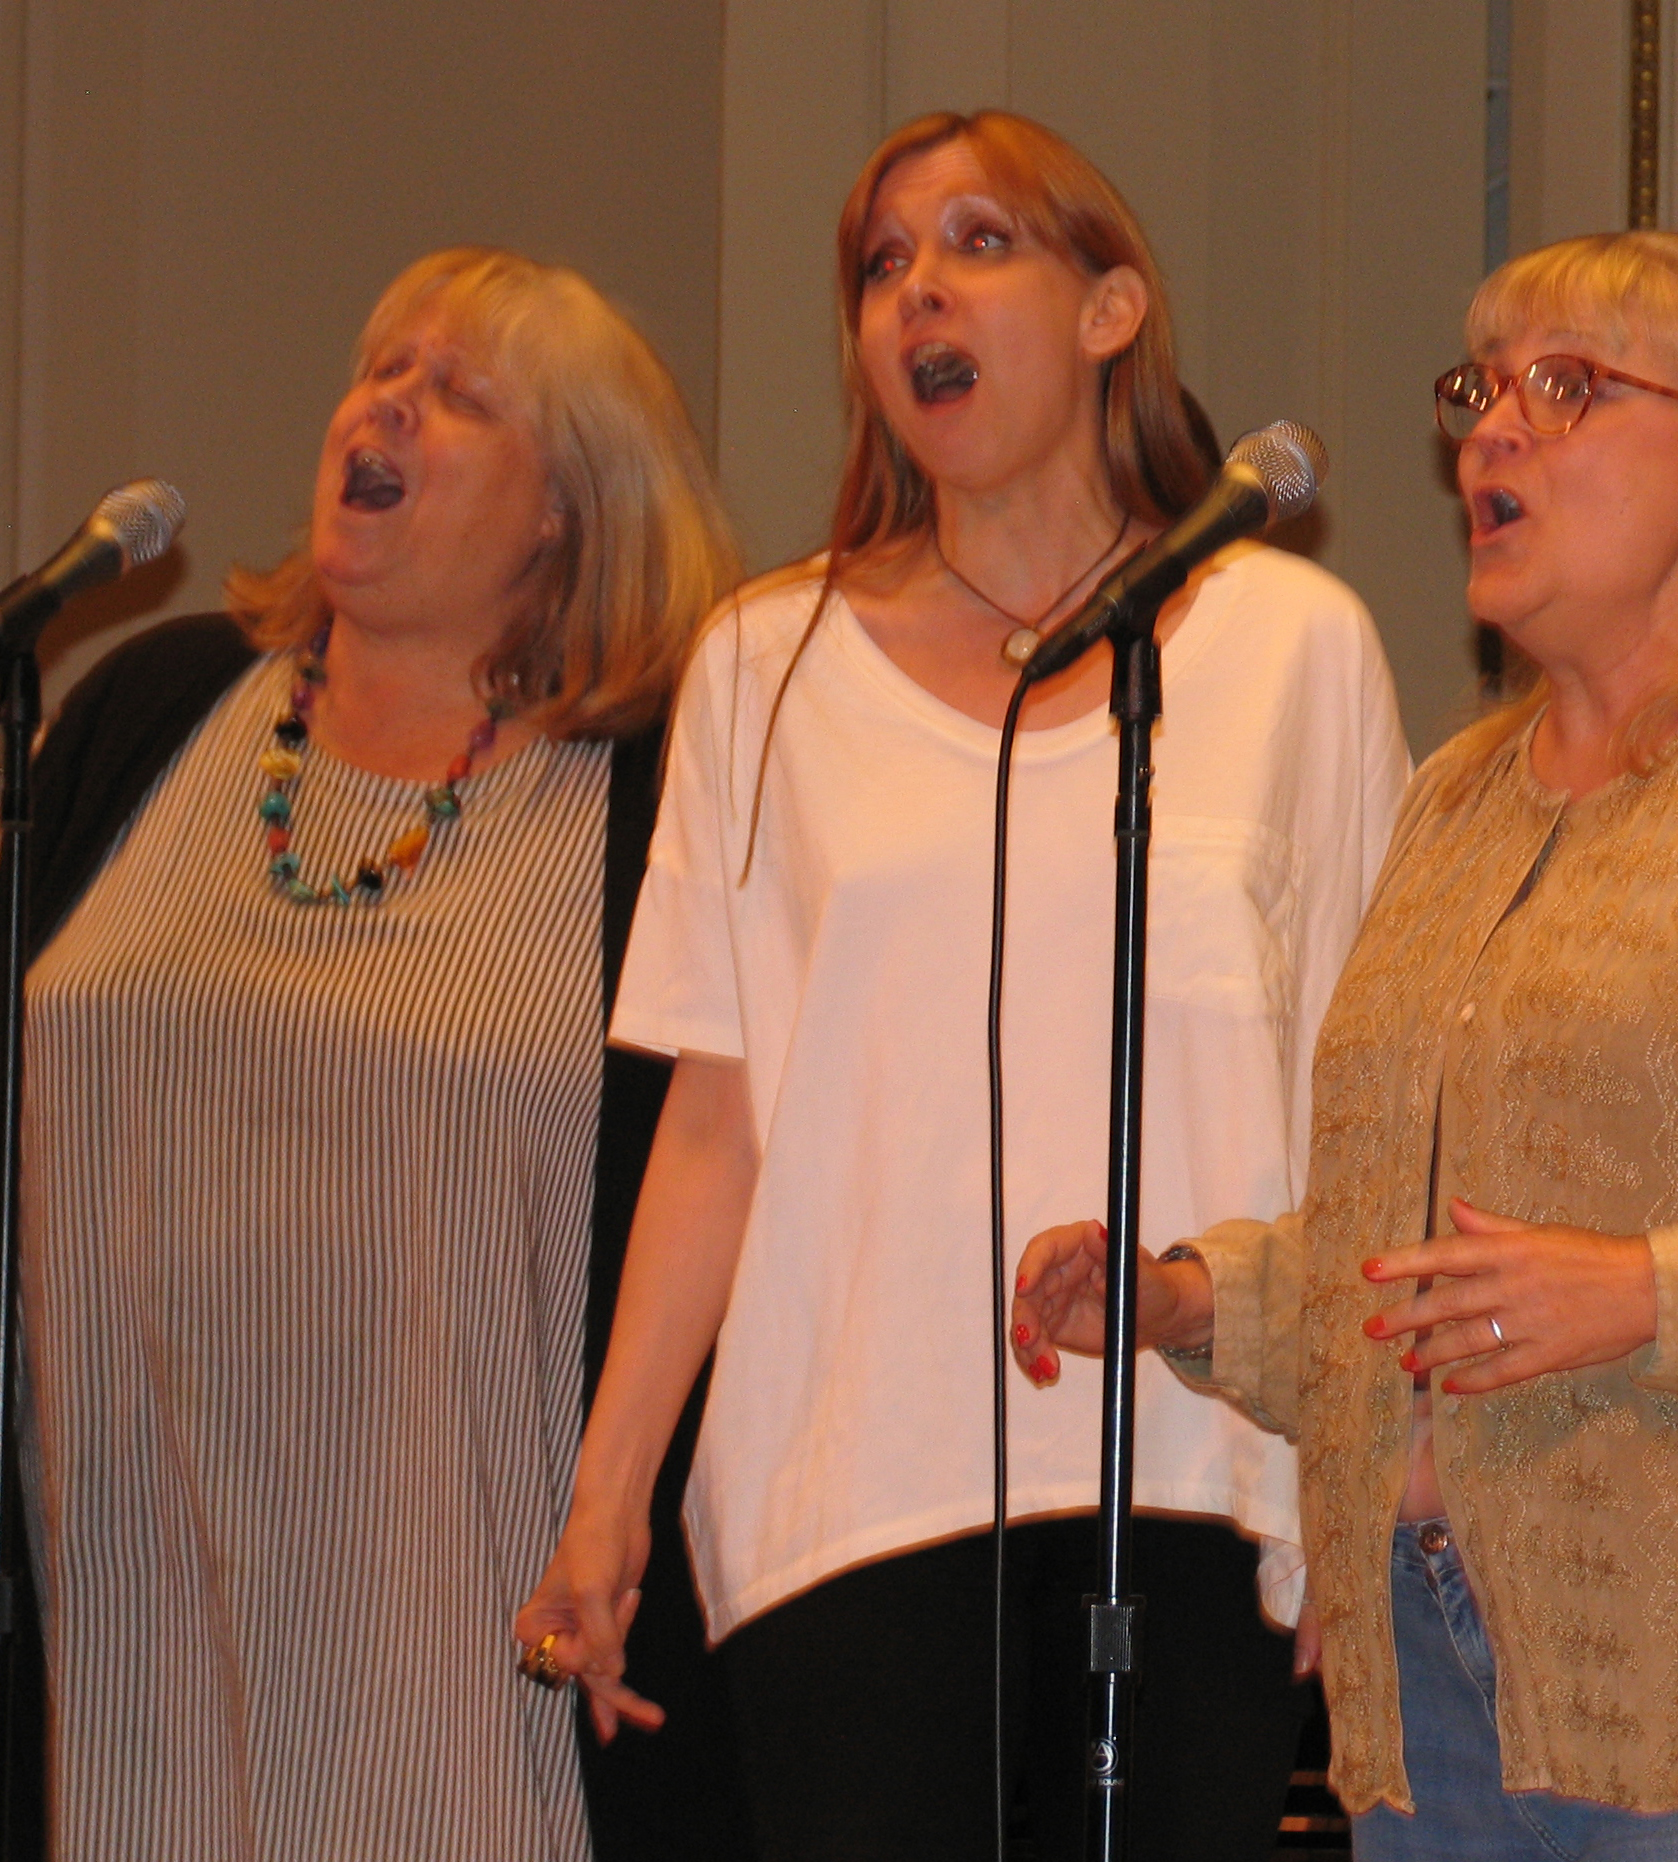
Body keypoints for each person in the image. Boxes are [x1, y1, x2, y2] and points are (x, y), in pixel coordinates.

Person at [1013, 228, 1678, 1860]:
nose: (1488, 431)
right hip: (1436, 1680)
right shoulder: (1454, 799)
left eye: (1564, 388)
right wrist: (1188, 1299)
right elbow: (1420, 1260)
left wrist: (1648, 1288)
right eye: (1479, 390)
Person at [516, 110, 1410, 1862]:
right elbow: (715, 1122)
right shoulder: (763, 668)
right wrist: (608, 1495)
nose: (918, 285)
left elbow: (1361, 1100)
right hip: (847, 1503)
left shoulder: (1294, 648)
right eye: (879, 264)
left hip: (1198, 1480)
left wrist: (1361, 1473)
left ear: (1110, 311)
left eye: (981, 241)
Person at [19, 247, 744, 1860]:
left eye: (460, 393)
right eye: (381, 369)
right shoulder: (156, 707)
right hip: (127, 1641)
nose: (387, 403)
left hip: (475, 1691)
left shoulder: (655, 802)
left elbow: (729, 1195)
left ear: (569, 510)